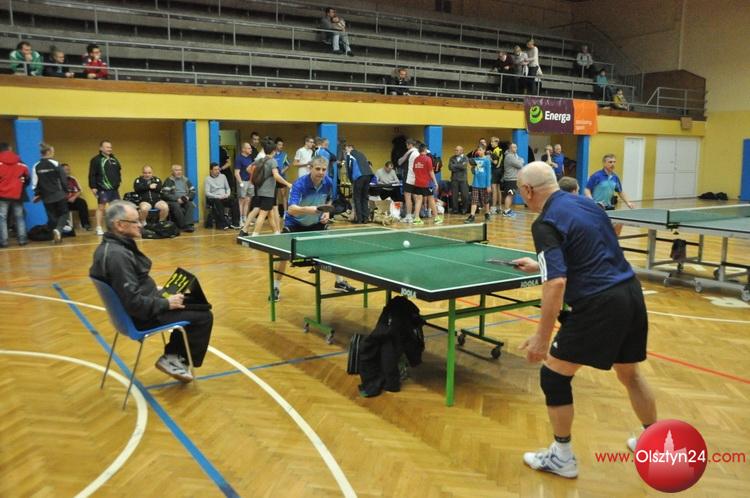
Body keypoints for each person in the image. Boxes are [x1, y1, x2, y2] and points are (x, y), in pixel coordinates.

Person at [511, 162, 656, 479]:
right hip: (630, 293)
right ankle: (654, 442)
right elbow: (595, 247)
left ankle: (562, 456)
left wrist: (541, 338)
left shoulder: (545, 222)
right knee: (630, 374)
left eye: (519, 190)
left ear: (528, 190)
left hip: (598, 304)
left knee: (553, 377)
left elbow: (556, 284)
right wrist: (540, 265)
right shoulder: (587, 204)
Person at [90, 201, 213, 383]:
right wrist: (167, 303)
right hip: (141, 316)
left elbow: (127, 288)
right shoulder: (117, 256)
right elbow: (134, 304)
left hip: (141, 305)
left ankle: (173, 356)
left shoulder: (112, 247)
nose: (141, 225)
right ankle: (173, 359)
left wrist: (155, 290)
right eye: (135, 221)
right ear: (119, 225)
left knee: (193, 300)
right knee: (203, 315)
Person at [271, 156, 356, 301]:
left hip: (316, 222)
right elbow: (291, 209)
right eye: (318, 169)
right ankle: (276, 287)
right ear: (310, 168)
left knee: (333, 247)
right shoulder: (299, 184)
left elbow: (329, 200)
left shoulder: (328, 182)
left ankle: (339, 281)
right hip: (295, 223)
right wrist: (308, 209)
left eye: (323, 169)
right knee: (283, 255)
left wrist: (326, 212)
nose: (321, 172)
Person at [249, 139, 292, 236]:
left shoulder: (260, 160)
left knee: (270, 213)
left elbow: (248, 169)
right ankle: (255, 234)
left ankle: (276, 232)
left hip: (260, 191)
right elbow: (276, 176)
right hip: (268, 192)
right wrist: (287, 183)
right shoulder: (273, 161)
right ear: (274, 151)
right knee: (262, 214)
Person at [585, 154, 634, 235]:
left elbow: (620, 191)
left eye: (614, 162)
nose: (613, 164)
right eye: (610, 162)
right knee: (598, 231)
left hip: (609, 207)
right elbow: (587, 189)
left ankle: (613, 241)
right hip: (597, 207)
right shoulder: (596, 176)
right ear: (604, 163)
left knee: (618, 224)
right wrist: (592, 202)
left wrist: (628, 202)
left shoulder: (615, 177)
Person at [32, 143, 69, 244]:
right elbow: (63, 179)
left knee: (52, 217)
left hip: (46, 196)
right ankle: (59, 230)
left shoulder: (36, 166)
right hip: (59, 194)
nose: (53, 153)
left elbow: (35, 183)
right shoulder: (55, 163)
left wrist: (37, 194)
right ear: (48, 152)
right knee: (64, 213)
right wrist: (66, 191)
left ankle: (55, 238)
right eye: (53, 151)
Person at [88, 140, 122, 236]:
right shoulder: (96, 160)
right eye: (107, 147)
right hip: (102, 187)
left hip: (114, 188)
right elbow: (92, 174)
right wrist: (93, 187)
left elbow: (118, 171)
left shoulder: (114, 159)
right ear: (101, 148)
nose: (109, 149)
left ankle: (114, 227)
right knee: (101, 207)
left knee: (115, 208)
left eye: (110, 147)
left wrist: (118, 182)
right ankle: (99, 227)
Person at [0, 143, 30, 248]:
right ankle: (22, 240)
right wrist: (20, 187)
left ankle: (4, 241)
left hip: (2, 195)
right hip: (18, 195)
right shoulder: (21, 163)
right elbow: (27, 179)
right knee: (19, 217)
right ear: (10, 149)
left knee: (2, 218)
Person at [410, 144, 442, 225]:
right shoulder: (428, 159)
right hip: (426, 183)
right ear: (425, 150)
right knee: (431, 199)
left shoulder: (416, 159)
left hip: (417, 183)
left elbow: (414, 170)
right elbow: (431, 171)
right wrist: (435, 182)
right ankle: (436, 218)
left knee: (418, 200)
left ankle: (416, 218)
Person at [344, 143, 374, 224]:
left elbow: (349, 169)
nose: (345, 151)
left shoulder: (349, 155)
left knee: (357, 198)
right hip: (368, 175)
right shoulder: (361, 153)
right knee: (364, 197)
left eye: (346, 149)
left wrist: (351, 181)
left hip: (359, 177)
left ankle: (359, 219)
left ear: (350, 148)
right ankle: (366, 218)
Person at [161, 164, 196, 232]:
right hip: (173, 200)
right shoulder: (168, 180)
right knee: (176, 206)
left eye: (180, 170)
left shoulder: (186, 180)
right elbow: (165, 194)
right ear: (172, 172)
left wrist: (188, 197)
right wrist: (177, 199)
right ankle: (182, 226)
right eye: (176, 170)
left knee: (190, 205)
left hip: (184, 199)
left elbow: (193, 191)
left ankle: (188, 225)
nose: (179, 172)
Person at [204, 162, 239, 229]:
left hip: (224, 196)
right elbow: (207, 193)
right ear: (211, 170)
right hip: (214, 197)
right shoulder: (207, 179)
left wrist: (227, 194)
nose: (218, 171)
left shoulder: (223, 176)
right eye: (215, 169)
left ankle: (235, 223)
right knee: (217, 202)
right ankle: (222, 224)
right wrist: (218, 196)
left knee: (234, 201)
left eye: (218, 169)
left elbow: (228, 188)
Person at [464, 146, 491, 223]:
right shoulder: (475, 160)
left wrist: (488, 185)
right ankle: (472, 216)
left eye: (480, 150)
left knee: (485, 200)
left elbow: (489, 174)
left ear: (484, 150)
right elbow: (469, 162)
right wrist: (472, 168)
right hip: (476, 183)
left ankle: (487, 213)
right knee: (474, 200)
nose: (479, 151)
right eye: (478, 150)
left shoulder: (487, 160)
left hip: (484, 184)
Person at [397, 138, 420, 223]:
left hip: (409, 177)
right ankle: (416, 215)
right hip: (416, 178)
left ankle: (408, 216)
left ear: (410, 145)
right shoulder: (418, 153)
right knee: (416, 196)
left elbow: (399, 162)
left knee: (407, 196)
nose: (406, 146)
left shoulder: (410, 153)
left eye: (407, 144)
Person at [62, 163, 91, 230]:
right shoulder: (57, 180)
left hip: (73, 200)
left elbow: (80, 190)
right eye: (65, 170)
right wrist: (66, 198)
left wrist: (74, 197)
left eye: (68, 170)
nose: (68, 171)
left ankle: (85, 224)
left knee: (82, 202)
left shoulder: (73, 179)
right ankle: (64, 226)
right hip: (63, 201)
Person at [499, 143, 525, 217]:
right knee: (510, 195)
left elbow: (519, 162)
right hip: (510, 179)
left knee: (511, 194)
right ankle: (506, 211)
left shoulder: (513, 156)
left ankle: (508, 210)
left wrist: (519, 160)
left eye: (516, 147)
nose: (516, 148)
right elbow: (520, 165)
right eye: (514, 147)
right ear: (510, 148)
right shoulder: (510, 156)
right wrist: (521, 160)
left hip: (513, 179)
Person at [234, 142, 254, 225]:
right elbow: (236, 173)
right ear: (243, 149)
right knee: (241, 201)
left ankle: (245, 218)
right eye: (249, 148)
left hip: (250, 181)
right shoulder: (239, 158)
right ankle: (240, 220)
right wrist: (240, 183)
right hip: (243, 181)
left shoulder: (250, 158)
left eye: (250, 148)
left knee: (248, 200)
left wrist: (252, 180)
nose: (251, 149)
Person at [448, 146, 470, 214]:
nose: (455, 151)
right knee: (454, 195)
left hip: (463, 179)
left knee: (464, 195)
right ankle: (455, 209)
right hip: (454, 179)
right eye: (455, 150)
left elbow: (464, 167)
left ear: (461, 151)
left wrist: (455, 165)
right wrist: (459, 166)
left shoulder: (465, 158)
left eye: (457, 150)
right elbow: (450, 167)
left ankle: (464, 209)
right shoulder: (452, 158)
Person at [488, 137, 504, 214]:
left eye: (492, 142)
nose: (491, 143)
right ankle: (500, 207)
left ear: (496, 142)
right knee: (498, 189)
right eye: (491, 142)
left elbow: (495, 162)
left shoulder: (495, 151)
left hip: (495, 171)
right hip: (500, 171)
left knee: (494, 189)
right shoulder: (500, 150)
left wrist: (489, 157)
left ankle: (493, 208)